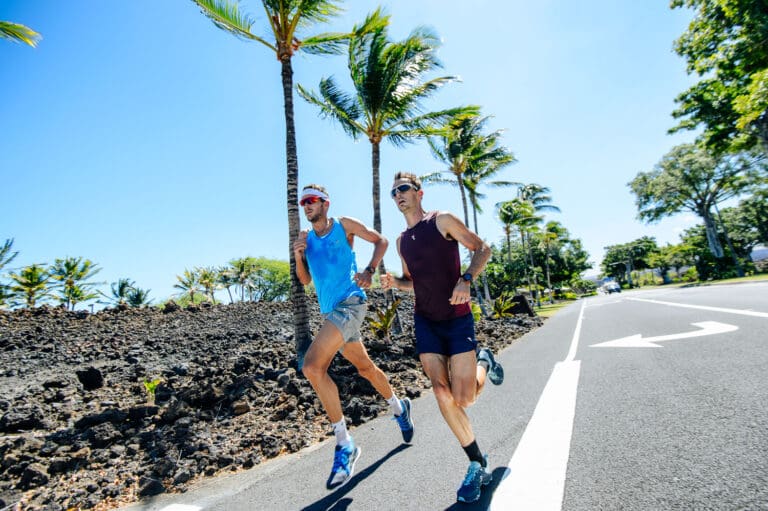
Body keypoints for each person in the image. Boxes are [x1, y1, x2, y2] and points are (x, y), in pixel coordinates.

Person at [381, 171, 504, 504]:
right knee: (440, 391)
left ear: (420, 193)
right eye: (393, 192)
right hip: (426, 321)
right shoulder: (402, 241)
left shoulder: (443, 220)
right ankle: (477, 462)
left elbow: (483, 248)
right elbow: (412, 282)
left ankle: (484, 360)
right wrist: (396, 283)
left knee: (465, 399)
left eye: (403, 189)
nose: (397, 195)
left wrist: (466, 279)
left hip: (457, 319)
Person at [293, 184, 414, 490]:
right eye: (303, 202)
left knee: (311, 367)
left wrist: (370, 269)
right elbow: (306, 280)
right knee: (365, 368)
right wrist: (298, 256)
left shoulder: (343, 226)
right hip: (332, 313)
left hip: (351, 303)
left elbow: (381, 240)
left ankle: (345, 443)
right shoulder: (307, 241)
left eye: (312, 200)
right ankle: (400, 407)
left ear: (325, 204)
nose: (306, 205)